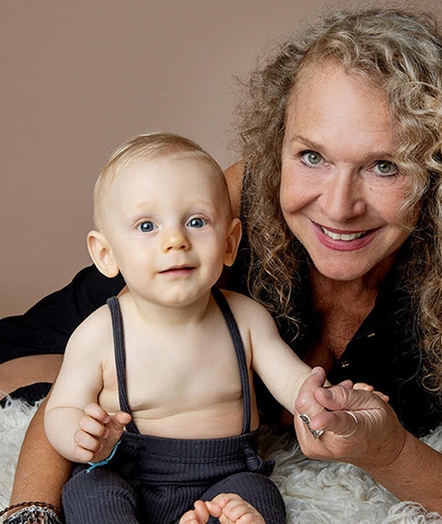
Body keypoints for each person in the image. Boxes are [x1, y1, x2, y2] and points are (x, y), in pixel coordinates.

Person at [0, 7, 442, 523]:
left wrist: (391, 453)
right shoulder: (230, 209)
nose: (338, 206)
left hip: (216, 447)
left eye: (384, 166)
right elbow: (73, 395)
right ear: (278, 148)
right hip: (93, 334)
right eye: (311, 156)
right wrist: (40, 495)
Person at [43, 131, 348, 524]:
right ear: (106, 254)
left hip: (225, 477)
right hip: (126, 474)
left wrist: (324, 400)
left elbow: (293, 383)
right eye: (147, 226)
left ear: (230, 243)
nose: (176, 240)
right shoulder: (99, 333)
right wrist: (81, 436)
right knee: (89, 491)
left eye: (196, 221)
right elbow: (62, 408)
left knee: (259, 494)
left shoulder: (246, 319)